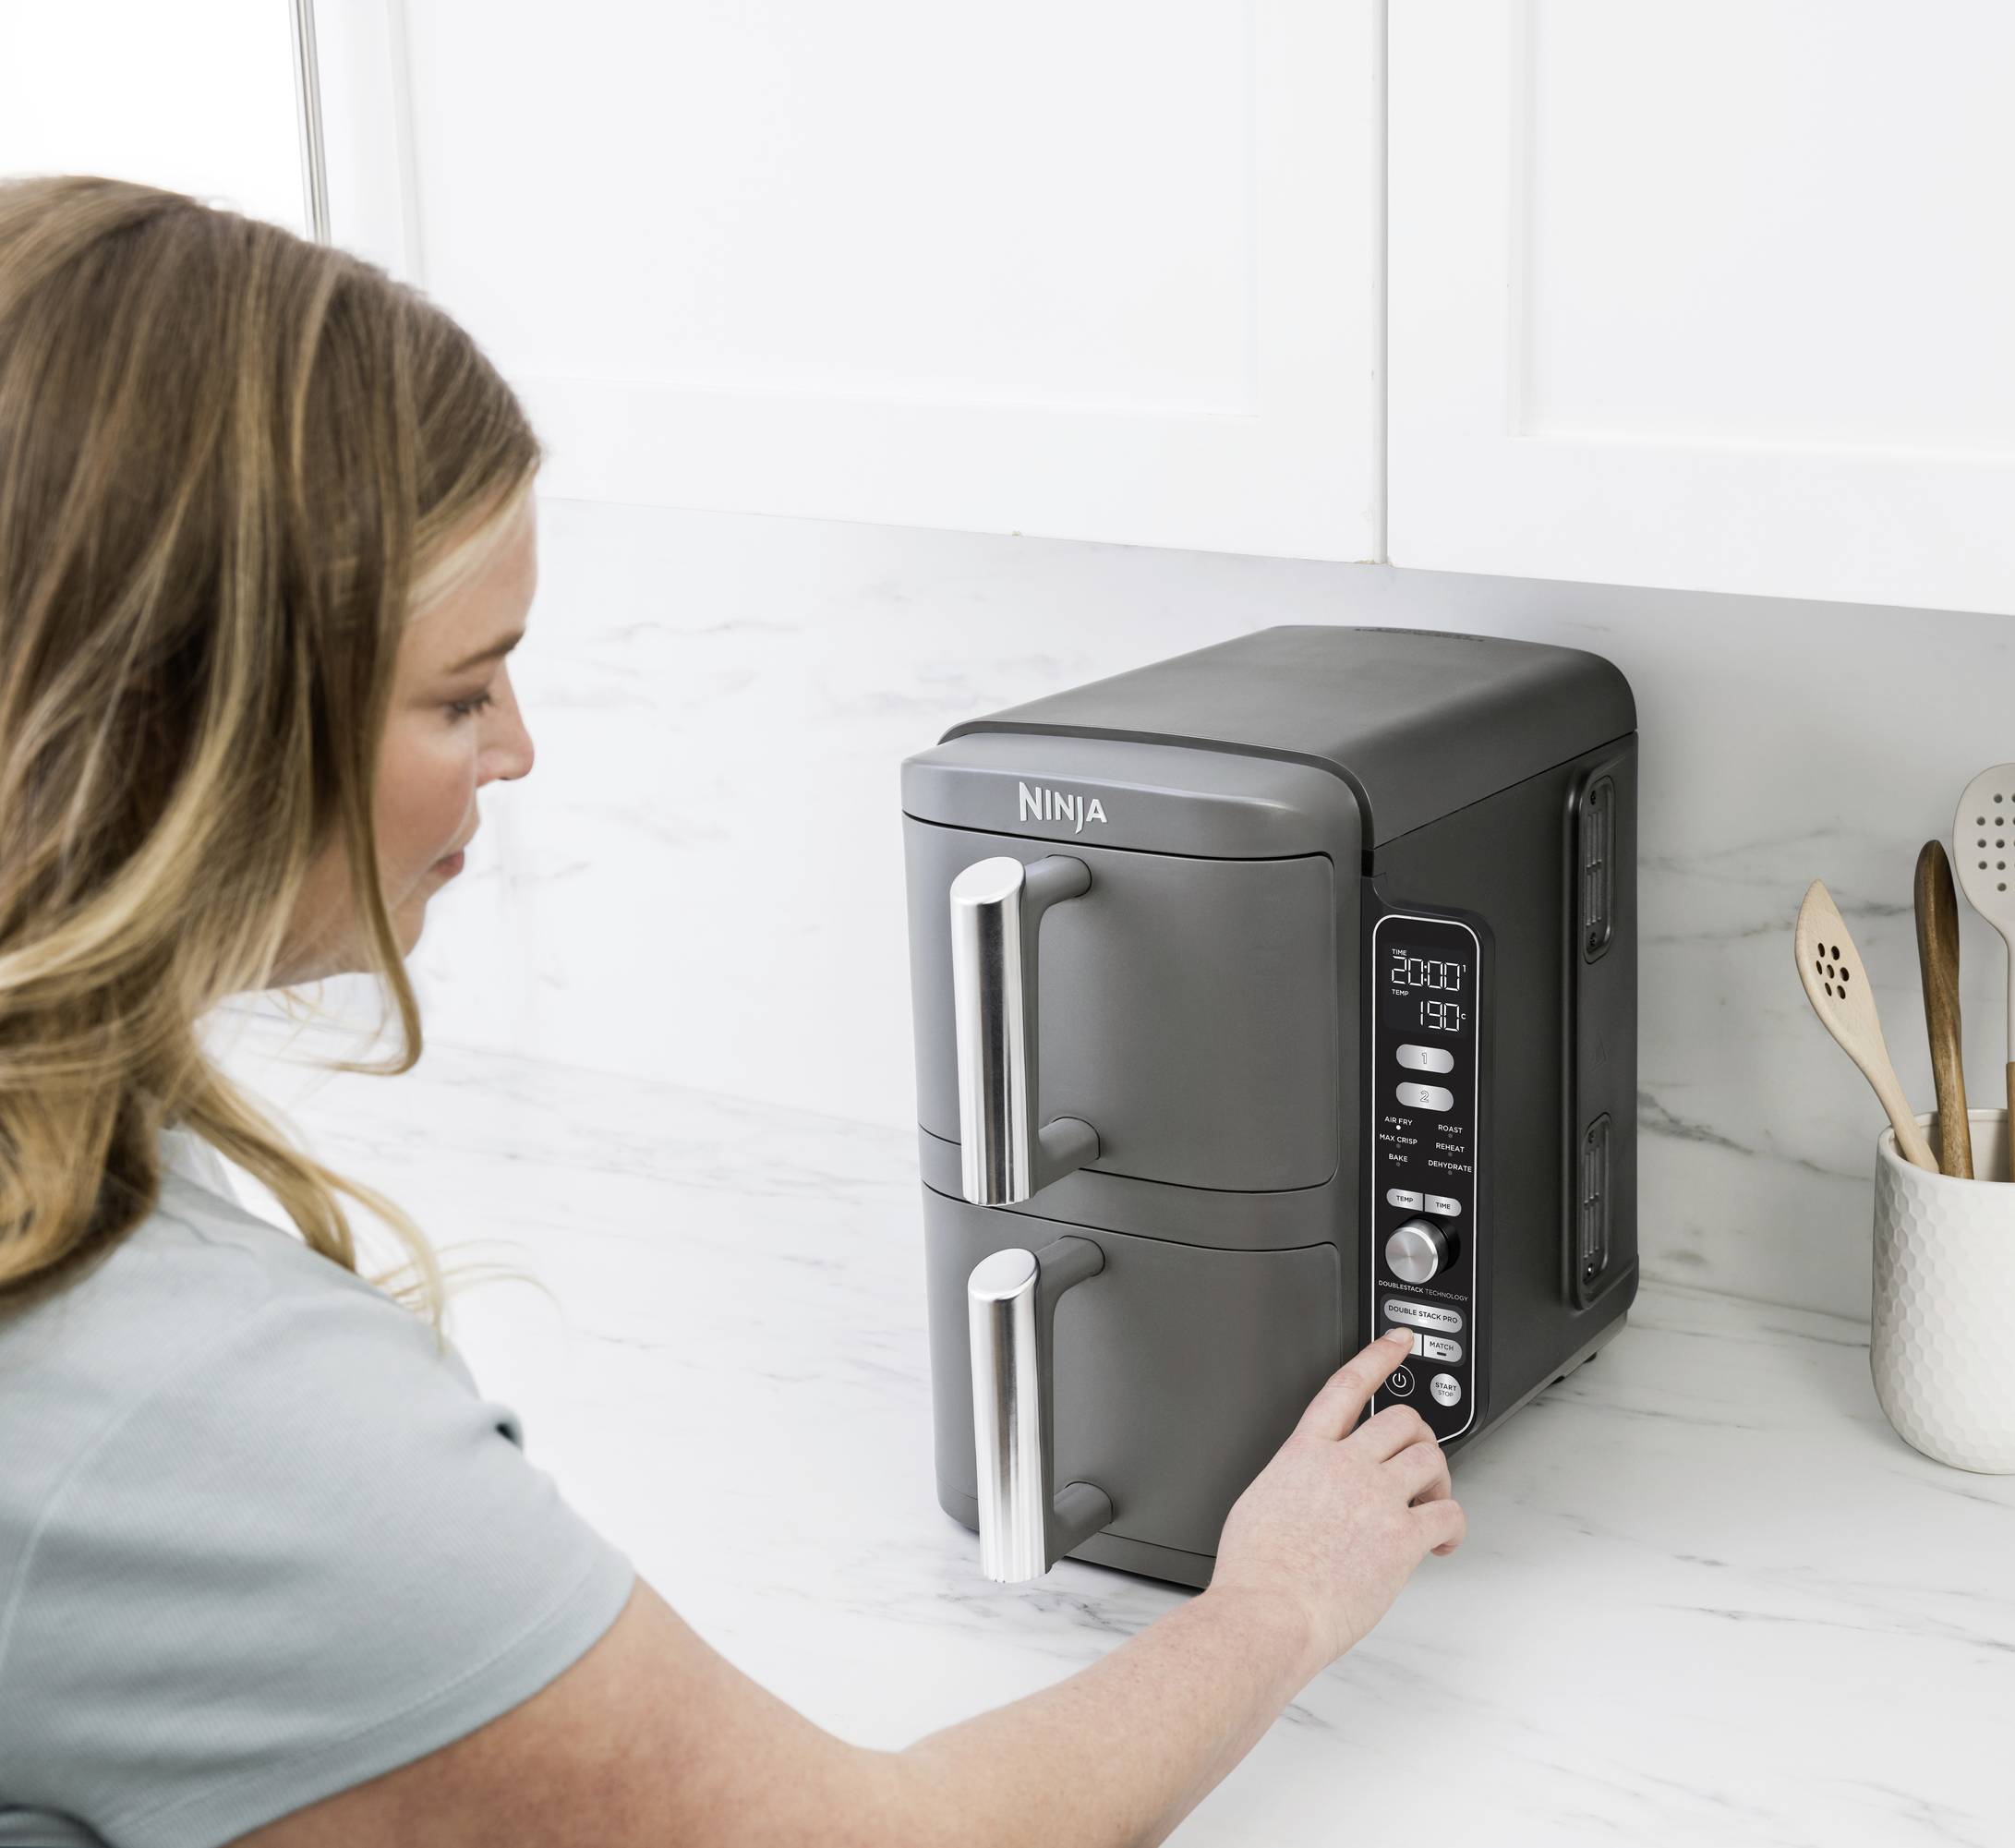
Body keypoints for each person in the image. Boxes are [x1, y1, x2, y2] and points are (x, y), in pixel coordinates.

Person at [0, 176, 1462, 1848]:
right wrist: (1272, 1603)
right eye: (460, 690)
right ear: (182, 720)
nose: (520, 749)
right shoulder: (206, 1406)